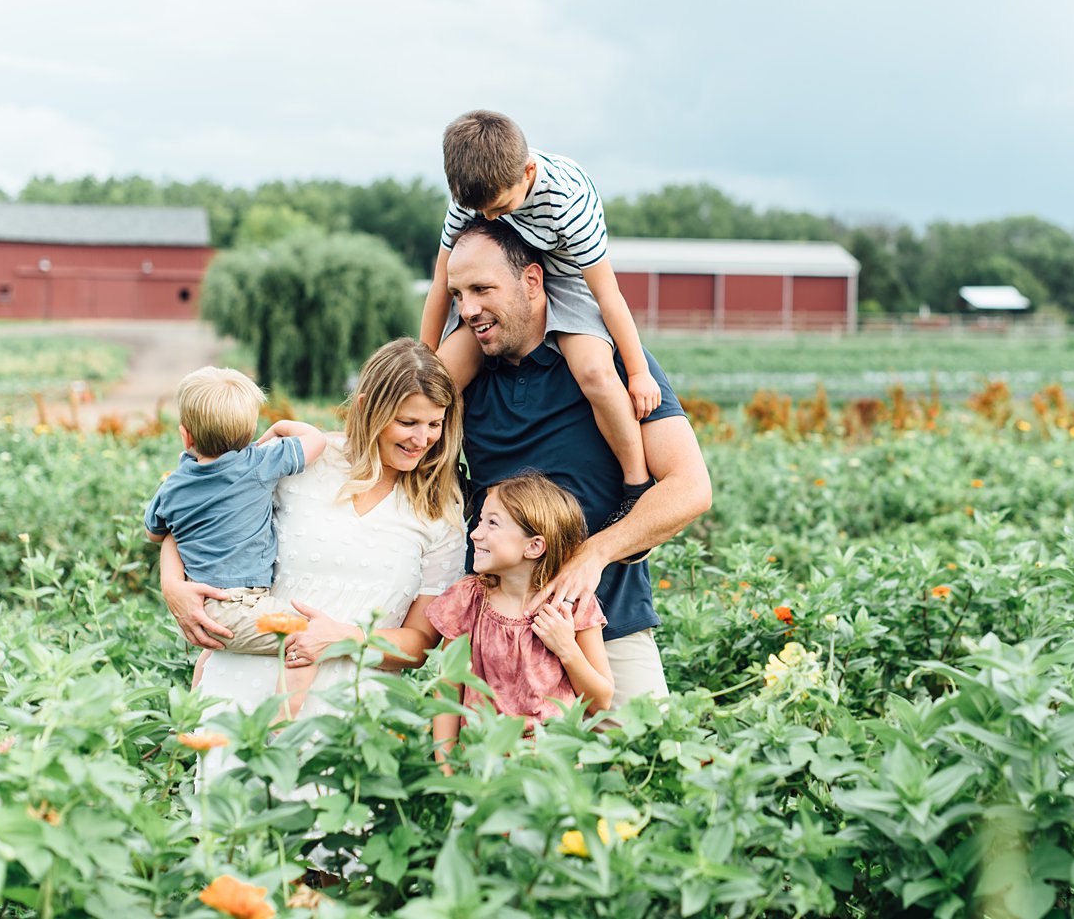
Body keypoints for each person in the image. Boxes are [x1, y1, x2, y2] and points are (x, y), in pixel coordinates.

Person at [445, 217, 713, 707]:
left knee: (643, 761)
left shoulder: (606, 360)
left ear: (532, 280)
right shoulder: (464, 377)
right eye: (458, 295)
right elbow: (391, 431)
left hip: (608, 626)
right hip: (493, 638)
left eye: (482, 289)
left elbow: (690, 487)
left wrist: (594, 553)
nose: (469, 310)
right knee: (493, 776)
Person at [159, 339, 466, 728]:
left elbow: (419, 644)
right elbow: (193, 514)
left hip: (351, 717)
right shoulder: (305, 460)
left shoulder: (439, 510)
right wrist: (172, 585)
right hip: (242, 694)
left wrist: (343, 637)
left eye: (435, 424)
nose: (422, 440)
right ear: (367, 408)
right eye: (407, 422)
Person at [420, 110, 660, 529]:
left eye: (501, 207)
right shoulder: (473, 197)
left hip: (565, 272)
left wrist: (638, 372)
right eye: (482, 211)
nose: (492, 217)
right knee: (437, 379)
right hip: (502, 270)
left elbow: (607, 293)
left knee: (594, 372)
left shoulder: (565, 203)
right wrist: (421, 360)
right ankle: (440, 472)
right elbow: (441, 281)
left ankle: (635, 485)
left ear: (529, 172)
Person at [143, 366, 327, 707]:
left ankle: (190, 719)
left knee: (211, 661)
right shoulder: (259, 464)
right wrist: (281, 426)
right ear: (249, 430)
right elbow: (317, 440)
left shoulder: (174, 485)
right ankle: (283, 726)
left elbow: (154, 533)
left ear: (186, 436)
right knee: (309, 637)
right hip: (240, 604)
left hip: (204, 604)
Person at [429, 473, 614, 762]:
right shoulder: (468, 601)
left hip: (551, 766)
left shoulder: (573, 606)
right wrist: (446, 769)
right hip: (482, 763)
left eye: (492, 523)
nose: (476, 534)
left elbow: (601, 700)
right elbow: (448, 691)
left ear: (534, 546)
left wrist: (566, 648)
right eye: (480, 522)